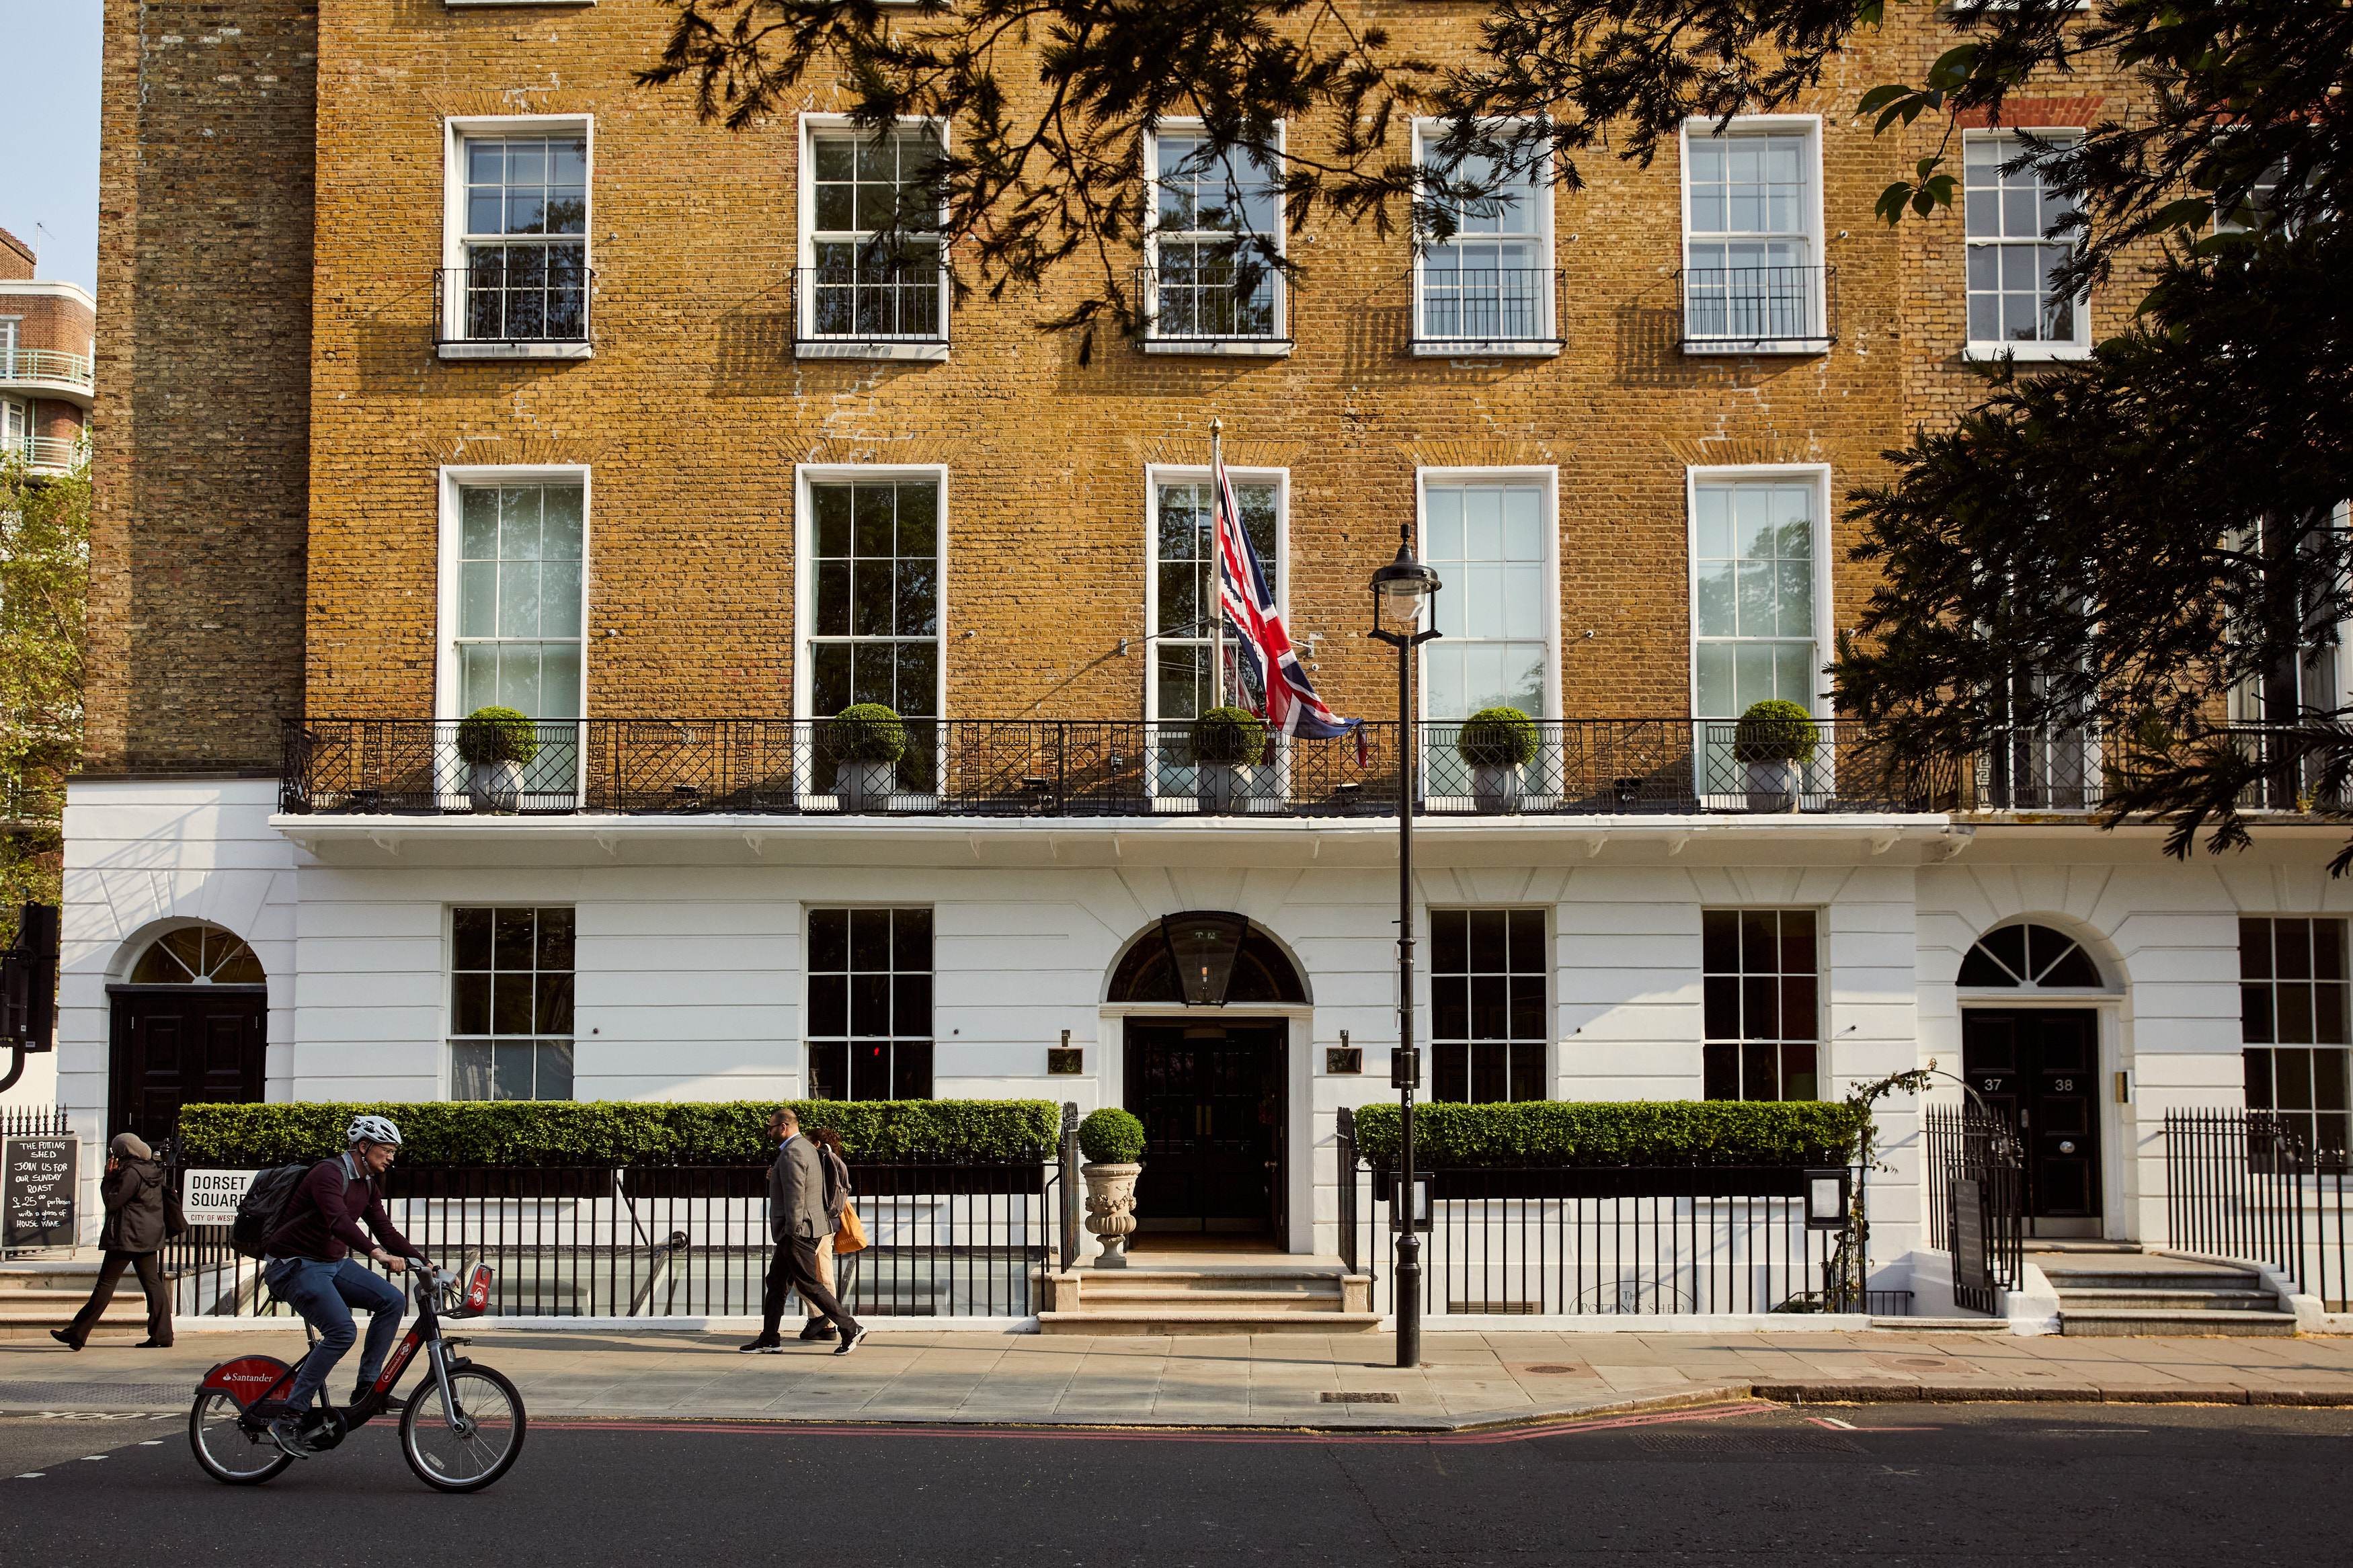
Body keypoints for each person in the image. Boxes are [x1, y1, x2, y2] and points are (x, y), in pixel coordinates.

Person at [253, 1114, 432, 1459]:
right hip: (294, 1265)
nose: (391, 1157)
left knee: (392, 1301)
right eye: (387, 1150)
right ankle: (289, 1418)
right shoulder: (328, 1173)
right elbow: (337, 1220)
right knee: (341, 1332)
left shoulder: (367, 1184)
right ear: (363, 1146)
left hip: (331, 1264)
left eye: (394, 1151)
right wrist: (376, 1254)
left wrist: (425, 1262)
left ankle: (367, 1388)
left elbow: (386, 1229)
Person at [742, 1106, 865, 1356]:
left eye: (771, 1128)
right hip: (805, 1228)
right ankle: (769, 1339)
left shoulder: (793, 1152)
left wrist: (793, 1230)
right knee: (776, 1283)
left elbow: (796, 1196)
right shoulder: (808, 1149)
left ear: (784, 1127)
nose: (769, 1133)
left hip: (798, 1232)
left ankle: (851, 1328)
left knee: (809, 1284)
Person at [51, 1132, 174, 1351]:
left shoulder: (131, 1173)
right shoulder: (153, 1170)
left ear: (123, 1152)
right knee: (153, 1284)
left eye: (115, 1151)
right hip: (148, 1236)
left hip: (126, 1237)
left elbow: (113, 1201)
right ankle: (162, 1334)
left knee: (106, 1285)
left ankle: (77, 1333)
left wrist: (108, 1178)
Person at [795, 1126, 855, 1342]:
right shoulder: (831, 1161)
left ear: (817, 1144)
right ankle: (827, 1326)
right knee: (823, 1275)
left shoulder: (818, 1161)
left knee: (796, 1273)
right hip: (829, 1225)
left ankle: (821, 1316)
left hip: (814, 1226)